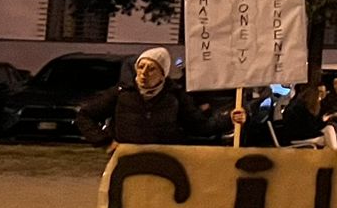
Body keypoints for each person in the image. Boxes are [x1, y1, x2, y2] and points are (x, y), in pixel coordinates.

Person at [77, 47, 243, 150]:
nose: (144, 73)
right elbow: (85, 116)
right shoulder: (122, 92)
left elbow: (199, 125)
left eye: (151, 69)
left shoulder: (175, 96)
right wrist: (105, 142)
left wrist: (229, 119)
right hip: (126, 160)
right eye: (141, 67)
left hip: (164, 160)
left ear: (162, 74)